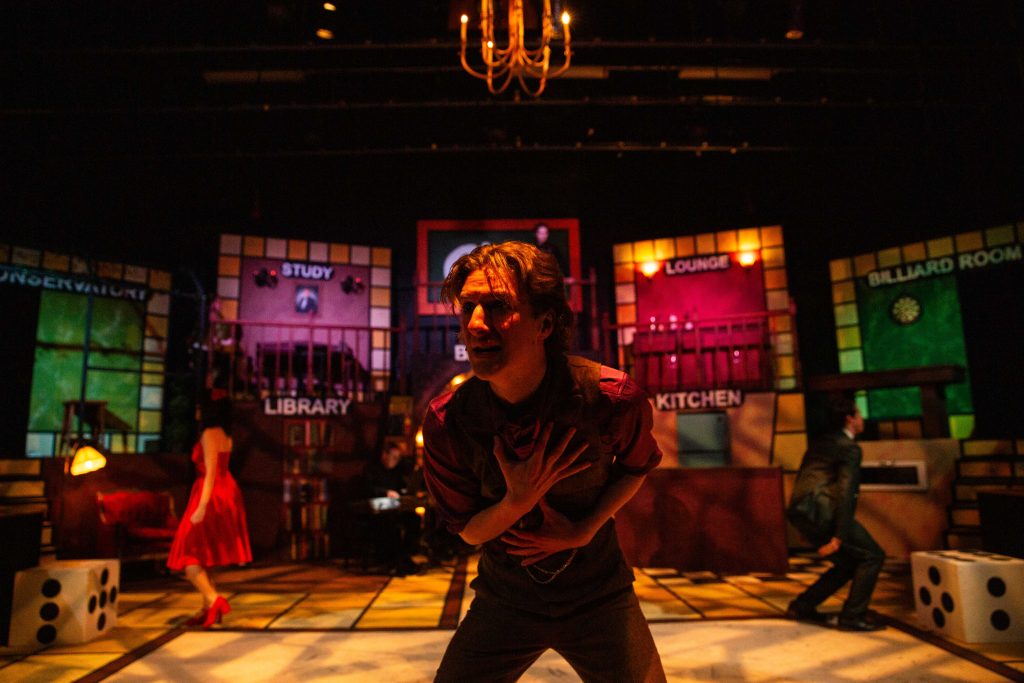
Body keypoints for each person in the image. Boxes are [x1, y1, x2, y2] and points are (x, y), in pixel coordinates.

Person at [422, 241, 666, 682]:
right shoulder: (448, 420)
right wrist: (516, 501)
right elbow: (468, 529)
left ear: (545, 323)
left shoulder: (609, 397)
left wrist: (583, 530)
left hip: (600, 596)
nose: (475, 324)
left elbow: (637, 466)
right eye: (468, 307)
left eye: (498, 306)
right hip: (504, 600)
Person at [785, 394, 886, 632]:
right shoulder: (849, 448)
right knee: (873, 556)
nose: (862, 419)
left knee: (848, 564)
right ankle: (853, 616)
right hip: (825, 512)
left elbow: (806, 481)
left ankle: (803, 606)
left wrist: (807, 528)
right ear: (849, 419)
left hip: (804, 512)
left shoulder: (822, 443)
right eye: (859, 414)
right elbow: (847, 491)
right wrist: (840, 535)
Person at [167, 396, 252, 628]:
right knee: (204, 554)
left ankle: (214, 600)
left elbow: (211, 472)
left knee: (189, 553)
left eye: (200, 407)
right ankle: (207, 609)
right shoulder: (226, 436)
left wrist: (202, 507)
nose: (196, 411)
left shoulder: (209, 434)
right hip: (225, 491)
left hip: (212, 493)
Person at [362, 444, 423, 575]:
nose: (396, 460)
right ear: (384, 455)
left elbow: (402, 487)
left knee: (414, 519)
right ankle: (393, 560)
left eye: (398, 458)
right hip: (376, 511)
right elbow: (367, 488)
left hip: (394, 509)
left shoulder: (397, 471)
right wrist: (386, 492)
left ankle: (404, 556)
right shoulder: (371, 469)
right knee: (389, 524)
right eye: (394, 457)